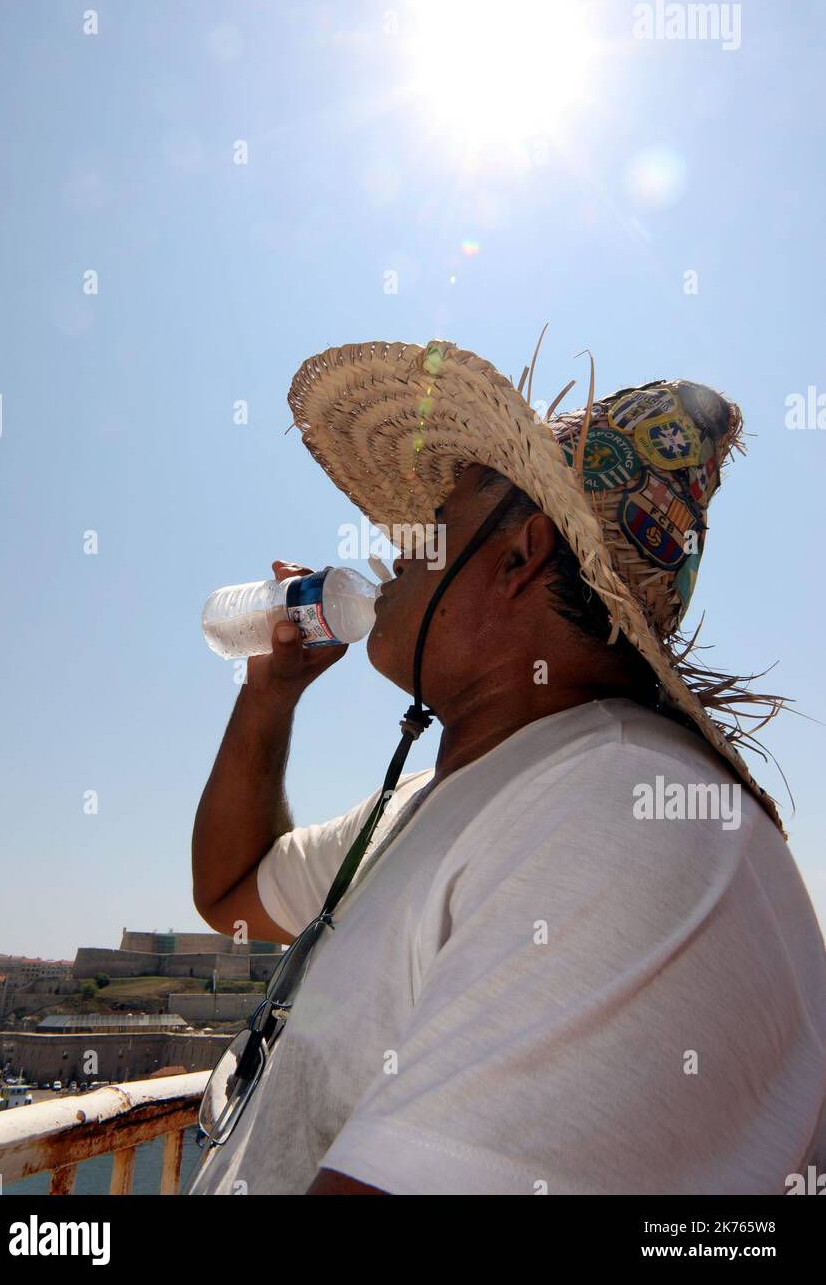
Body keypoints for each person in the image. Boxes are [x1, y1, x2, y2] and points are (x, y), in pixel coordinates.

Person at [188, 339, 826, 1195]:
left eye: (436, 518)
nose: (399, 544)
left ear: (520, 556)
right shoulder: (447, 801)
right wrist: (267, 694)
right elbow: (232, 894)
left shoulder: (620, 811)